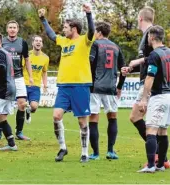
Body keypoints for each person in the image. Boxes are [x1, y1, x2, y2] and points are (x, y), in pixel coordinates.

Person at [39, 3, 95, 163]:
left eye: (65, 27)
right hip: (63, 86)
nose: (63, 30)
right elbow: (51, 35)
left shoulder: (85, 40)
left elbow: (91, 30)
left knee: (82, 120)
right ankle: (63, 148)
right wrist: (43, 20)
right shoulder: (64, 41)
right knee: (56, 116)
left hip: (81, 85)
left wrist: (89, 14)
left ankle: (84, 152)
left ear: (74, 28)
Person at [121, 6, 170, 168]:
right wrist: (133, 67)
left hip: (151, 84)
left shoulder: (150, 34)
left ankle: (156, 158)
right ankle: (161, 159)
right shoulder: (148, 34)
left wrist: (137, 62)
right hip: (153, 85)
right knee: (159, 126)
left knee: (138, 118)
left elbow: (155, 57)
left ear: (140, 18)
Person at [88, 21, 126, 160]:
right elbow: (124, 69)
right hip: (111, 87)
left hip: (95, 87)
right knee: (112, 117)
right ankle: (110, 151)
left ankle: (96, 153)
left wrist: (87, 83)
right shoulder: (116, 47)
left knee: (93, 118)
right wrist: (120, 86)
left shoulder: (95, 44)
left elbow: (90, 64)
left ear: (99, 32)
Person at [0, 20, 34, 141]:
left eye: (14, 27)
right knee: (0, 103)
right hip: (4, 78)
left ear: (17, 29)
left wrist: (30, 76)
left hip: (19, 77)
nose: (12, 29)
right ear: (7, 29)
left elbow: (27, 60)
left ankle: (19, 132)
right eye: (10, 27)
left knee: (22, 104)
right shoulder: (1, 42)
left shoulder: (22, 42)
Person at [137, 25, 170, 173]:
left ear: (151, 37)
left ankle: (151, 165)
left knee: (151, 130)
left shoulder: (154, 55)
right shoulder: (168, 52)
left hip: (159, 96)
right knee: (163, 131)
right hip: (169, 95)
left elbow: (150, 78)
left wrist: (144, 99)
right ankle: (161, 164)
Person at [23, 35, 49, 121]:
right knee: (22, 104)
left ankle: (28, 111)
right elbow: (20, 68)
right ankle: (18, 128)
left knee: (34, 107)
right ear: (33, 43)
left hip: (36, 86)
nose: (38, 42)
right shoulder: (26, 55)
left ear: (42, 44)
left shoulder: (45, 58)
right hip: (24, 84)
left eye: (40, 41)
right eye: (36, 40)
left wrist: (45, 85)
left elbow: (44, 72)